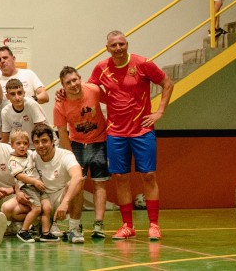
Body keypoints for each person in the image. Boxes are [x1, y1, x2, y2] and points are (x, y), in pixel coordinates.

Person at [87, 31, 173, 241]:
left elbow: (167, 84)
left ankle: (154, 225)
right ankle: (128, 226)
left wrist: (159, 112)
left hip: (142, 130)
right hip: (115, 132)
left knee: (149, 176)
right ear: (107, 48)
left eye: (121, 44)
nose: (118, 48)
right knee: (120, 177)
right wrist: (66, 94)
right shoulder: (101, 68)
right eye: (113, 45)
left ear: (127, 45)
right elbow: (89, 89)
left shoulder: (143, 63)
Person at [54, 66, 109, 240]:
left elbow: (113, 101)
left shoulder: (93, 90)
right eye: (68, 83)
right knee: (77, 185)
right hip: (77, 144)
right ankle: (75, 226)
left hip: (100, 141)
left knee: (100, 183)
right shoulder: (60, 103)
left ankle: (99, 224)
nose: (73, 84)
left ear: (80, 78)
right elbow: (62, 132)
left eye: (75, 80)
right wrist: (70, 156)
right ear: (63, 86)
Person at [8, 130, 47, 242]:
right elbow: (20, 176)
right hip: (27, 187)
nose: (22, 146)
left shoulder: (29, 154)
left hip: (37, 187)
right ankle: (23, 231)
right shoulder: (13, 161)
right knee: (36, 208)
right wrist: (34, 182)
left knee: (46, 207)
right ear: (12, 145)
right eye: (18, 143)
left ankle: (45, 232)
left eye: (25, 143)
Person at [0, 78, 47, 143]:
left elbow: (41, 133)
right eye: (13, 94)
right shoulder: (5, 111)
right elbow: (5, 139)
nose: (17, 98)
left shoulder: (31, 104)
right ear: (7, 96)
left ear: (24, 93)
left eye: (19, 93)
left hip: (41, 143)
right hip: (23, 146)